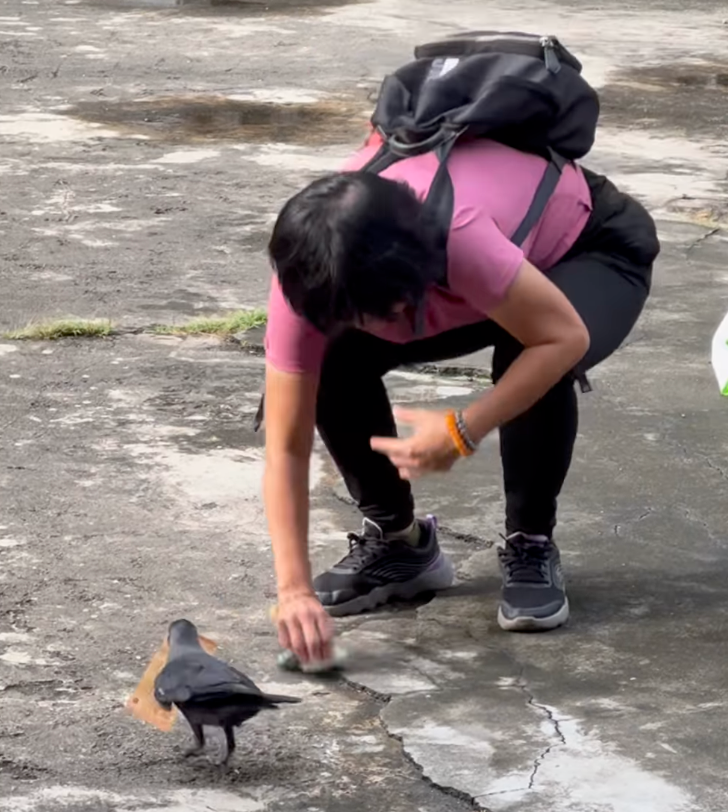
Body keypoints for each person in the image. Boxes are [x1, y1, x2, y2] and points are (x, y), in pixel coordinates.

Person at [261, 128, 660, 666]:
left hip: (586, 245)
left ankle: (531, 541)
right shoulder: (310, 275)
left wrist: (461, 430)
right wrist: (293, 591)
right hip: (471, 271)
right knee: (330, 357)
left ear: (413, 285)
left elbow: (563, 338)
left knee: (530, 350)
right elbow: (286, 446)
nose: (369, 327)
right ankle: (401, 543)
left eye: (378, 314)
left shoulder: (457, 234)